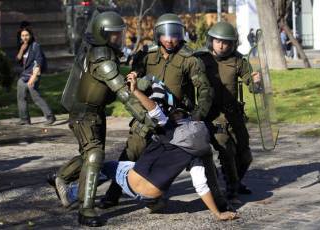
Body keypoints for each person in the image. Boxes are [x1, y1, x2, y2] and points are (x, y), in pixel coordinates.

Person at [56, 73, 239, 222]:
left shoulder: (170, 129)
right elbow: (201, 186)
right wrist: (218, 214)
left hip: (130, 181)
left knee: (103, 167)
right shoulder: (198, 149)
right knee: (157, 185)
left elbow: (154, 110)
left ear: (176, 116)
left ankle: (71, 192)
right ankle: (154, 203)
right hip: (152, 194)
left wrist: (135, 90)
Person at [98, 13, 228, 212]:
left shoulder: (189, 60)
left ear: (181, 35)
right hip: (149, 115)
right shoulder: (146, 56)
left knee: (203, 156)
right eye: (165, 34)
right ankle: (113, 195)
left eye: (174, 34)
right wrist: (136, 85)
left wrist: (196, 118)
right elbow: (134, 83)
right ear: (158, 35)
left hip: (178, 120)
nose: (170, 39)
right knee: (131, 151)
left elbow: (205, 91)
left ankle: (218, 201)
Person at [51, 11, 159, 227]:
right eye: (114, 35)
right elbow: (122, 93)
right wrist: (146, 117)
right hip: (84, 114)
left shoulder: (106, 52)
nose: (119, 39)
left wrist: (142, 84)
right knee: (95, 154)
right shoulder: (101, 57)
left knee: (91, 155)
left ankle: (61, 177)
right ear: (102, 35)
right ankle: (86, 209)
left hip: (95, 112)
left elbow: (115, 87)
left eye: (120, 34)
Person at [195, 22, 261, 203]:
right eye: (218, 41)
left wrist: (256, 82)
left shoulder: (238, 60)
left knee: (245, 156)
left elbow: (252, 85)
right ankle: (231, 190)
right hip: (213, 116)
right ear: (211, 41)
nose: (222, 45)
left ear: (233, 44)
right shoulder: (201, 59)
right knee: (227, 152)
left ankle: (236, 182)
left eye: (226, 42)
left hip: (235, 116)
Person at [15, 27, 56, 125]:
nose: (25, 37)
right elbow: (18, 60)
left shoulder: (35, 46)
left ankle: (50, 117)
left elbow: (39, 61)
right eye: (23, 35)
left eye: (26, 35)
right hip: (24, 76)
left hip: (33, 74)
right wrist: (21, 49)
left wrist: (33, 77)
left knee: (36, 97)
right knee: (21, 97)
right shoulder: (23, 47)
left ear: (31, 35)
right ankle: (24, 119)